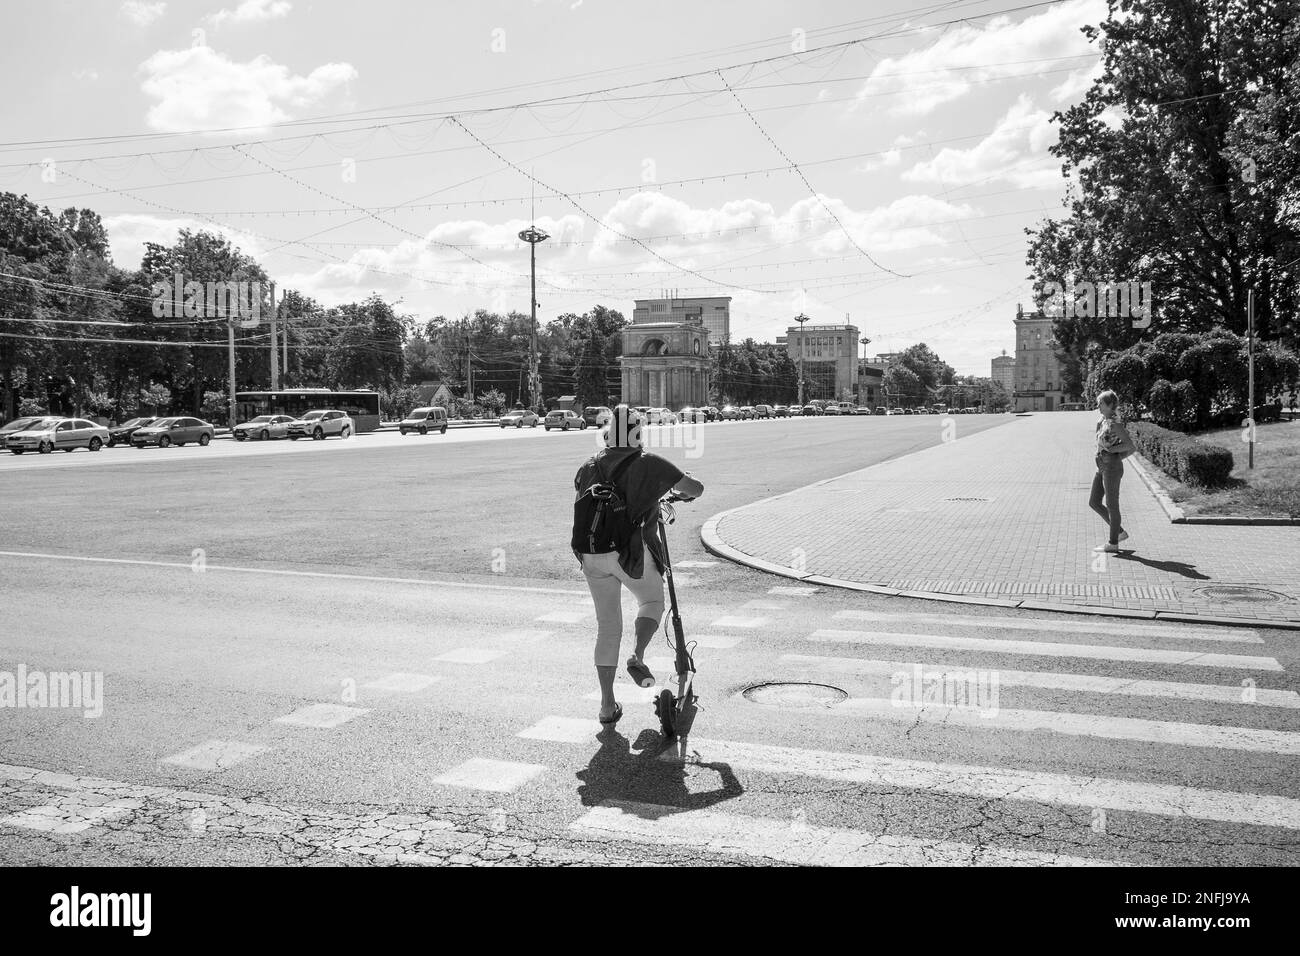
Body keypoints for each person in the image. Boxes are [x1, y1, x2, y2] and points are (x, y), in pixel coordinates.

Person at [572, 404, 704, 725]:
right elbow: (696, 489)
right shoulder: (647, 462)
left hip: (591, 552)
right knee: (652, 601)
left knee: (607, 627)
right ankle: (638, 656)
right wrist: (673, 489)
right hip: (630, 552)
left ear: (608, 433)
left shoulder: (589, 466)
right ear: (638, 433)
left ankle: (607, 705)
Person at [1089, 389, 1136, 553]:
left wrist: (1114, 454)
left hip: (1111, 467)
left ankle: (1113, 542)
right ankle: (1120, 532)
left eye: (1101, 403)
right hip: (1101, 466)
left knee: (1111, 505)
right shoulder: (1102, 421)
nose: (1098, 406)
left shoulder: (1115, 424)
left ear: (1110, 405)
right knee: (1094, 502)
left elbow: (1130, 446)